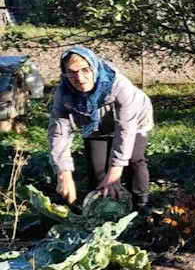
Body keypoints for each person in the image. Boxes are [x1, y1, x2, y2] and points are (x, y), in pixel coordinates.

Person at [48, 46, 154, 214]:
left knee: (134, 160)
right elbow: (58, 133)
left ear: (94, 67)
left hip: (135, 120)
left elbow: (125, 130)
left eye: (85, 70)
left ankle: (141, 205)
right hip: (93, 125)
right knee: (97, 170)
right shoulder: (64, 93)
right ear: (64, 73)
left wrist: (115, 171)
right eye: (72, 72)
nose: (80, 78)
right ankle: (105, 212)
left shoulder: (119, 86)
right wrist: (63, 173)